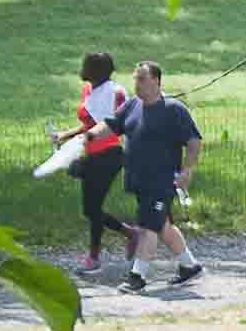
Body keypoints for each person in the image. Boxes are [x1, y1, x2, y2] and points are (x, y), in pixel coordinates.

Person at [115, 59, 202, 289]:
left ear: (156, 81)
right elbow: (111, 124)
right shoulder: (133, 105)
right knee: (161, 225)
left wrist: (188, 169)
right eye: (135, 78)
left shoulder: (174, 109)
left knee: (148, 227)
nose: (137, 83)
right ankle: (189, 266)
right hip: (140, 181)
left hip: (161, 181)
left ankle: (138, 276)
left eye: (141, 78)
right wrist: (86, 138)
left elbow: (194, 141)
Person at [65, 49, 133, 276]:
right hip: (91, 153)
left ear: (95, 71)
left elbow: (112, 124)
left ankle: (94, 257)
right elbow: (89, 124)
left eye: (85, 65)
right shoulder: (88, 89)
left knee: (92, 208)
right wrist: (65, 135)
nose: (81, 69)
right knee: (90, 209)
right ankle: (130, 234)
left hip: (109, 155)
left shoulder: (115, 93)